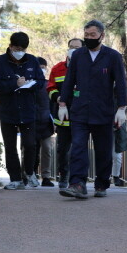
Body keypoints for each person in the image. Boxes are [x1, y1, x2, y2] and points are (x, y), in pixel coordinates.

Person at [58, 20, 127, 199]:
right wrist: (63, 104)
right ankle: (77, 184)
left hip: (104, 111)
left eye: (93, 35)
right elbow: (69, 80)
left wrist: (122, 107)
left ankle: (101, 184)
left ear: (102, 36)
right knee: (78, 147)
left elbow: (120, 83)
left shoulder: (112, 56)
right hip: (80, 110)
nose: (89, 38)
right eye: (86, 35)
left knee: (103, 151)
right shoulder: (78, 56)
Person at [0, 32, 45, 190]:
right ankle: (15, 179)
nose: (20, 51)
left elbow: (41, 82)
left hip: (28, 110)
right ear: (10, 46)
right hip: (8, 111)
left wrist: (30, 84)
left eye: (23, 49)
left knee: (30, 144)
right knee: (10, 146)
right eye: (17, 48)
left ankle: (29, 172)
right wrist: (15, 84)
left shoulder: (32, 61)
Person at [47, 38, 84, 189]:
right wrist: (58, 97)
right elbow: (50, 87)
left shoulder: (87, 67)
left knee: (79, 149)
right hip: (62, 116)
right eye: (71, 47)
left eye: (77, 47)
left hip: (81, 116)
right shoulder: (57, 68)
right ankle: (64, 176)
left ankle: (77, 179)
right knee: (62, 149)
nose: (73, 49)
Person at [34, 57, 55, 187]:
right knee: (29, 150)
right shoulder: (28, 84)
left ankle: (46, 176)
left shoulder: (49, 85)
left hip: (47, 123)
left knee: (47, 149)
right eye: (39, 67)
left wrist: (55, 121)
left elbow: (54, 105)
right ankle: (28, 173)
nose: (41, 69)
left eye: (43, 67)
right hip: (30, 123)